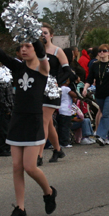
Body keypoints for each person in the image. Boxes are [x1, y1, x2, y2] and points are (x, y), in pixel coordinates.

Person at [0, 38, 57, 216]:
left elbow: (42, 53)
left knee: (30, 167)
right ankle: (20, 208)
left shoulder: (43, 68)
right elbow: (0, 54)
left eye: (29, 46)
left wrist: (32, 33)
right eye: (22, 47)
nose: (24, 50)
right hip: (17, 121)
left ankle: (48, 192)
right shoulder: (18, 68)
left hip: (34, 121)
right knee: (17, 166)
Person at [40, 24, 71, 164]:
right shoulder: (36, 51)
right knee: (49, 123)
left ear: (51, 35)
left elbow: (68, 71)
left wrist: (57, 82)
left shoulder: (57, 51)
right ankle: (58, 150)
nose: (43, 35)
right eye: (40, 33)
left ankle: (38, 155)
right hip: (39, 89)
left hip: (52, 90)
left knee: (44, 121)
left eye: (45, 33)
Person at [83, 44, 109, 146]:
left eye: (104, 51)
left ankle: (100, 136)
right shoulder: (95, 65)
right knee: (108, 115)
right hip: (100, 93)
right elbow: (90, 79)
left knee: (106, 114)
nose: (102, 53)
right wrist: (85, 88)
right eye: (100, 51)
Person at [0, 66, 14, 158]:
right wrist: (7, 109)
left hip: (8, 109)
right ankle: (1, 148)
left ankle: (6, 147)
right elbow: (1, 99)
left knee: (7, 130)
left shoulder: (9, 84)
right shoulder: (1, 86)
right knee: (2, 130)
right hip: (2, 111)